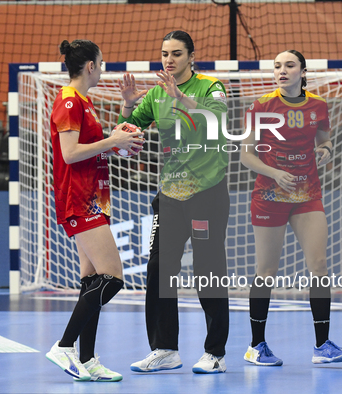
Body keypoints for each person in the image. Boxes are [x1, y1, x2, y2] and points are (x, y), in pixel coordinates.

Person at [118, 30, 230, 374]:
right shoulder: (155, 94)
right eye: (165, 53)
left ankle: (215, 353)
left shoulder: (212, 88)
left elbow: (216, 123)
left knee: (207, 270)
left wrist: (179, 97)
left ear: (191, 57)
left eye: (177, 53)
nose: (169, 59)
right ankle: (165, 348)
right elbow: (126, 132)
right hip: (170, 195)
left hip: (207, 194)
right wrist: (128, 104)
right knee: (159, 267)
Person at [240, 50, 342, 366]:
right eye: (277, 66)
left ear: (303, 71)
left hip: (308, 195)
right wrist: (275, 173)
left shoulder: (318, 106)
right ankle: (256, 346)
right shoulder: (260, 106)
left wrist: (326, 151)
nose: (282, 70)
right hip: (270, 196)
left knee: (319, 265)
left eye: (289, 65)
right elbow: (246, 155)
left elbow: (325, 141)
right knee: (267, 272)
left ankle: (322, 345)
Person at [45, 38, 145, 382]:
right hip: (78, 199)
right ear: (90, 66)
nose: (102, 69)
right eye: (101, 64)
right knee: (113, 278)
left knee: (91, 281)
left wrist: (126, 113)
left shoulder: (84, 102)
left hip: (94, 197)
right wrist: (114, 142)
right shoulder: (69, 101)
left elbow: (95, 149)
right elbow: (71, 153)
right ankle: (64, 345)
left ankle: (86, 360)